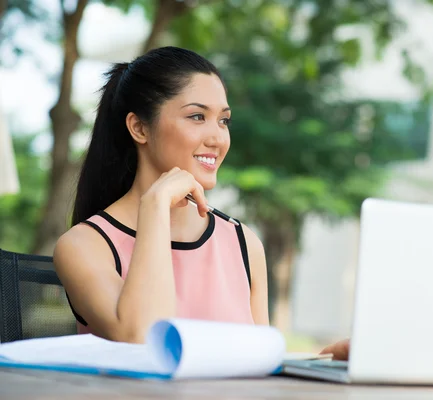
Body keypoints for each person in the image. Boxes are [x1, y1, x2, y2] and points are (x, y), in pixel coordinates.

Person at [53, 46, 350, 360]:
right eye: (197, 116)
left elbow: (260, 368)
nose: (218, 138)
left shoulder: (243, 243)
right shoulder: (84, 246)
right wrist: (155, 206)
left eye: (223, 121)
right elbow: (144, 341)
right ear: (139, 127)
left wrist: (326, 362)